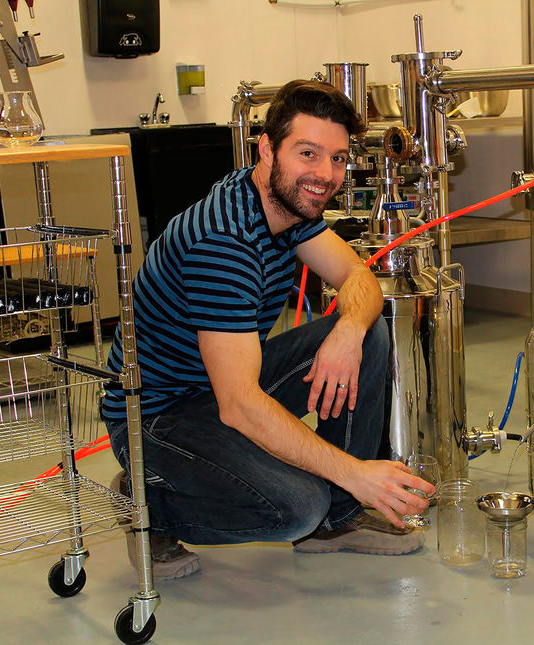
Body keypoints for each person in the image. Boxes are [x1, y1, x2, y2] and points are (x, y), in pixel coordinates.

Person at [101, 80, 433, 580]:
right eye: (307, 153)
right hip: (156, 419)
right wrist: (356, 473)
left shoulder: (286, 204)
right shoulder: (223, 243)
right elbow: (239, 405)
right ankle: (148, 504)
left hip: (217, 390)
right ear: (267, 149)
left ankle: (337, 522)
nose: (325, 175)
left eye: (338, 159)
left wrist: (348, 331)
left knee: (368, 334)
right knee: (297, 508)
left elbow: (358, 277)